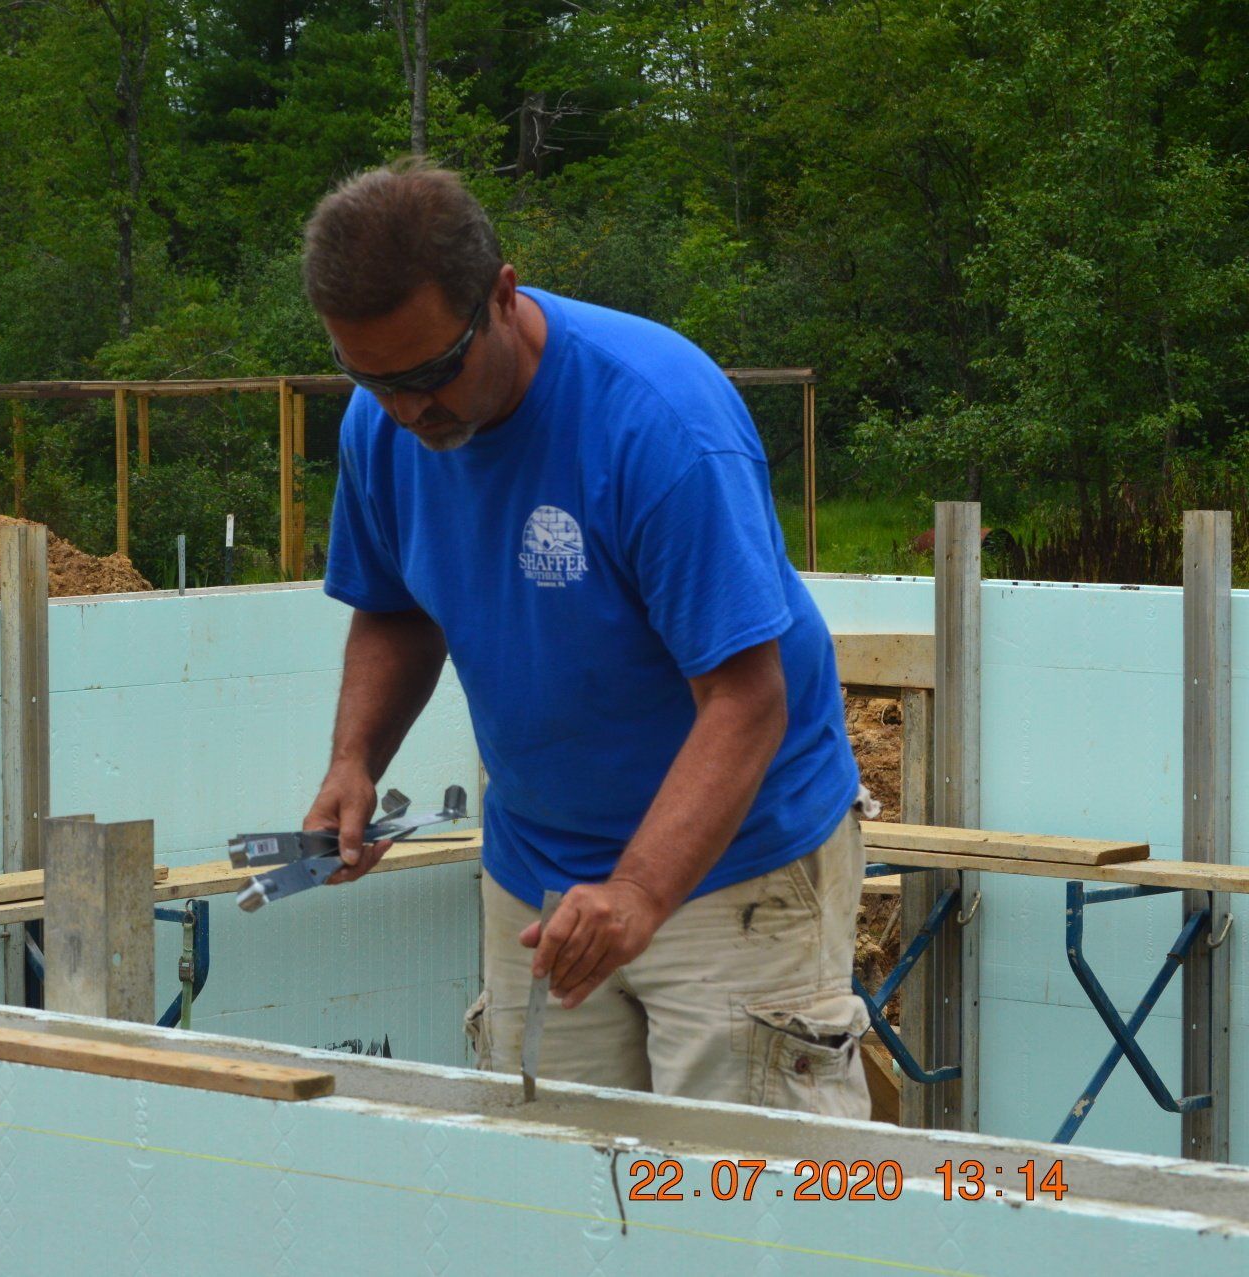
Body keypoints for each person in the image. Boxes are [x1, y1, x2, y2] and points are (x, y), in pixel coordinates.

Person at [299, 159, 869, 1117]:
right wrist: (355, 758)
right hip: (539, 881)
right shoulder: (384, 422)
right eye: (373, 379)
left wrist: (640, 894)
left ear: (502, 295)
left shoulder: (657, 423)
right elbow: (395, 603)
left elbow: (747, 699)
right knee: (558, 1198)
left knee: (741, 1209)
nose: (408, 410)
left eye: (433, 373)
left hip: (736, 872)